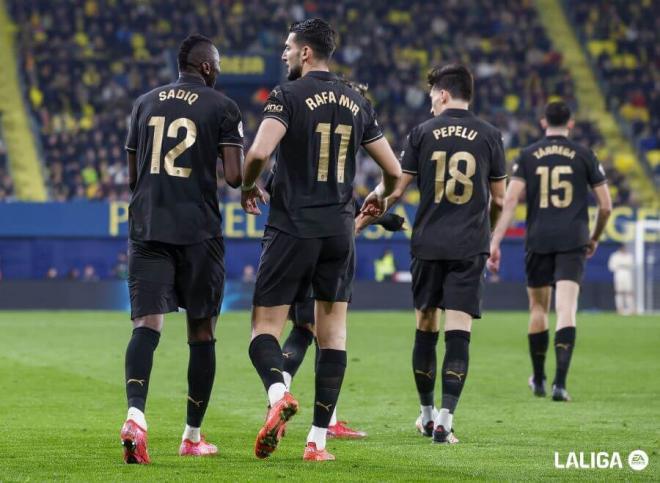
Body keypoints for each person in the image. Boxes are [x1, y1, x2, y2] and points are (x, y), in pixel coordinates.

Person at [240, 18, 401, 461]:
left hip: (292, 227)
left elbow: (257, 153)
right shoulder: (356, 99)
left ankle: (278, 395)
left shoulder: (287, 95)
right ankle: (317, 442)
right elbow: (391, 171)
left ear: (306, 52)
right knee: (333, 337)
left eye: (289, 48)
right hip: (338, 231)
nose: (284, 55)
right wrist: (380, 198)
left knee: (263, 330)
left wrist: (247, 186)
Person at [359, 64, 507, 444]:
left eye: (431, 98)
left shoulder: (422, 133)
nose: (429, 106)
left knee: (425, 329)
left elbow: (396, 188)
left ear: (443, 94)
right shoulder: (491, 135)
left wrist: (369, 206)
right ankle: (445, 419)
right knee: (459, 333)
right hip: (468, 246)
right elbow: (501, 199)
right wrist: (486, 233)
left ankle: (425, 415)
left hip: (427, 244)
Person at [120, 34, 243, 464]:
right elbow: (232, 176)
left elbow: (133, 176)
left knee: (146, 328)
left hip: (149, 227)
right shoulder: (222, 106)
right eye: (220, 63)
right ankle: (191, 435)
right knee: (202, 333)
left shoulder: (144, 102)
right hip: (198, 233)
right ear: (206, 67)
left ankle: (136, 417)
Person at [488, 101, 612, 402]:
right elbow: (606, 206)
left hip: (539, 239)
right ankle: (560, 384)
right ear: (570, 123)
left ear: (544, 122)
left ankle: (540, 379)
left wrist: (495, 240)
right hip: (573, 240)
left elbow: (510, 201)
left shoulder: (528, 155)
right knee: (566, 309)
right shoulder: (584, 155)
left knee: (538, 310)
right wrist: (593, 237)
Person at [280, 211, 406, 441]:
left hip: (294, 254)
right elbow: (353, 208)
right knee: (320, 335)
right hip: (323, 260)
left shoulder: (291, 179)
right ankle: (318, 418)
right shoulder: (331, 181)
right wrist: (385, 219)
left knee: (304, 330)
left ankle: (278, 398)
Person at [608, 244, 634, 315]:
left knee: (629, 292)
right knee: (619, 292)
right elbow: (611, 267)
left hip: (627, 274)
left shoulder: (629, 256)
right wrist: (620, 266)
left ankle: (631, 308)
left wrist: (624, 265)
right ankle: (619, 308)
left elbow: (632, 265)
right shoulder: (615, 256)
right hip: (619, 274)